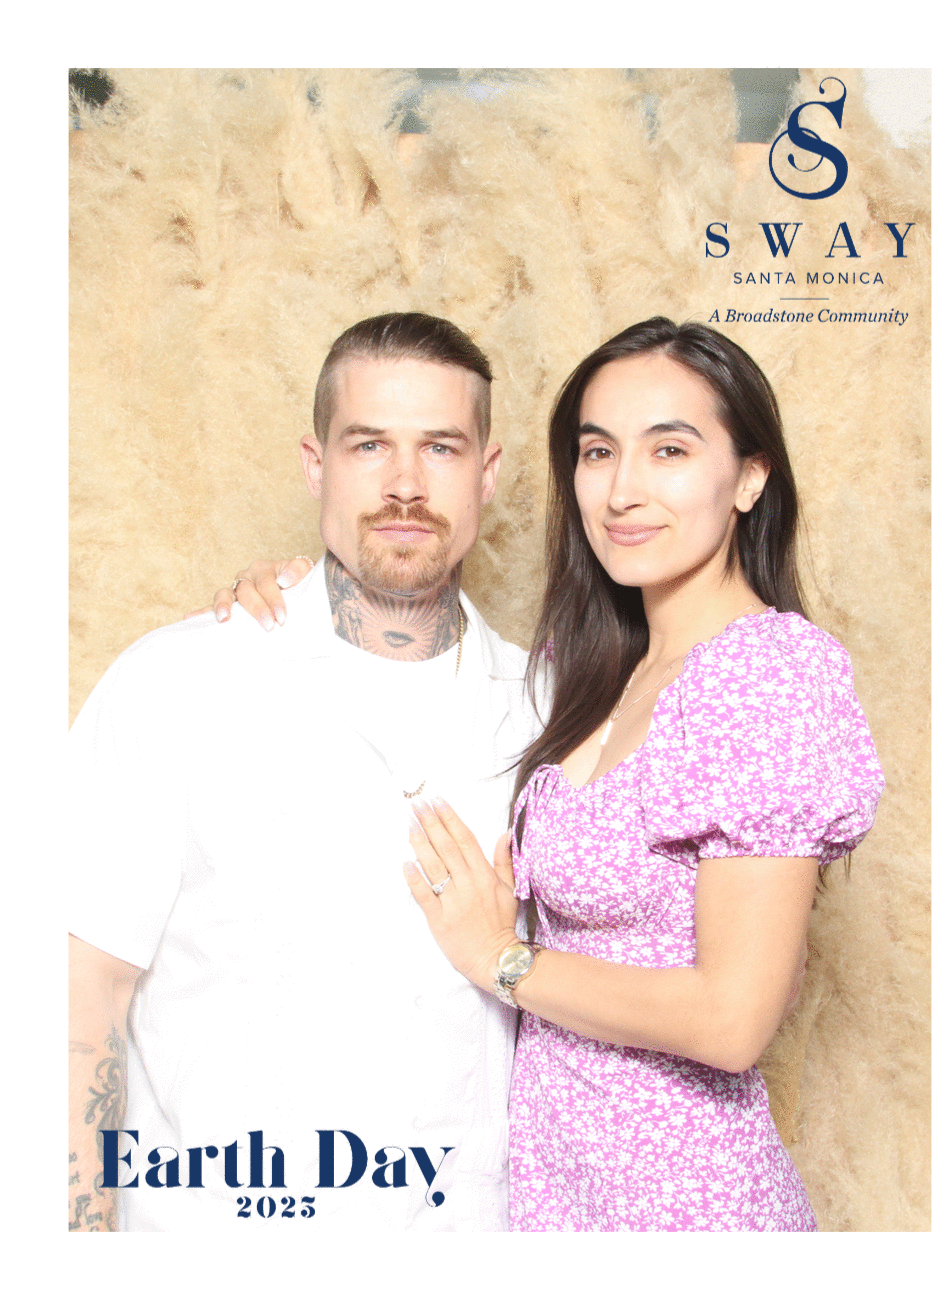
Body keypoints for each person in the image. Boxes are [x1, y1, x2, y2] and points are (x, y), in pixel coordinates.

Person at [232, 318, 884, 1231]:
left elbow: (733, 1020)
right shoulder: (591, 671)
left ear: (749, 477)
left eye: (669, 450)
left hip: (686, 1208)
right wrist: (306, 596)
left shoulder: (765, 674)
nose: (623, 490)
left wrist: (500, 959)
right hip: (559, 1197)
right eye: (597, 451)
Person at [67, 312, 541, 1232]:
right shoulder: (178, 680)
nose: (405, 485)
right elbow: (82, 990)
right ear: (315, 464)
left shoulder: (549, 710)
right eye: (369, 445)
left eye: (440, 447)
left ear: (487, 474)